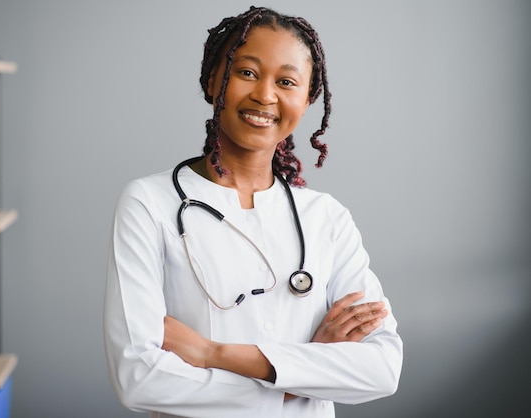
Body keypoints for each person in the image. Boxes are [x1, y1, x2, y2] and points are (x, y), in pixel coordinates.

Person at [104, 6, 402, 418]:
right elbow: (138, 377)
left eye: (286, 81)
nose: (265, 95)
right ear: (213, 80)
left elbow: (382, 369)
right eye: (246, 72)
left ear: (307, 98)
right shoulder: (149, 203)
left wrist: (213, 353)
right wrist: (302, 375)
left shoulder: (326, 219)